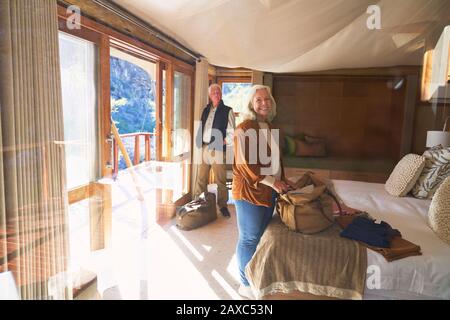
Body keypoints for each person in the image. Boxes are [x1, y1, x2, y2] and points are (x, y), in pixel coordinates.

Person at [232, 84, 295, 299]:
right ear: (251, 103)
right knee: (249, 238)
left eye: (267, 99)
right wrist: (273, 182)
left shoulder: (269, 126)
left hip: (269, 190)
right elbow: (244, 164)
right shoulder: (244, 128)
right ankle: (245, 285)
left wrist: (283, 179)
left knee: (260, 236)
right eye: (258, 100)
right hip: (251, 192)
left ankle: (254, 274)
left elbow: (276, 160)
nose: (264, 103)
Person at [194, 84, 235, 218]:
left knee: (220, 180)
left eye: (218, 91)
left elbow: (231, 132)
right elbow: (202, 126)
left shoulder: (228, 110)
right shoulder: (206, 110)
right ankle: (200, 202)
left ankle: (222, 205)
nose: (216, 93)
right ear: (210, 95)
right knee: (201, 178)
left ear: (221, 94)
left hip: (217, 148)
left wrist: (222, 142)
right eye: (213, 92)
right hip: (204, 147)